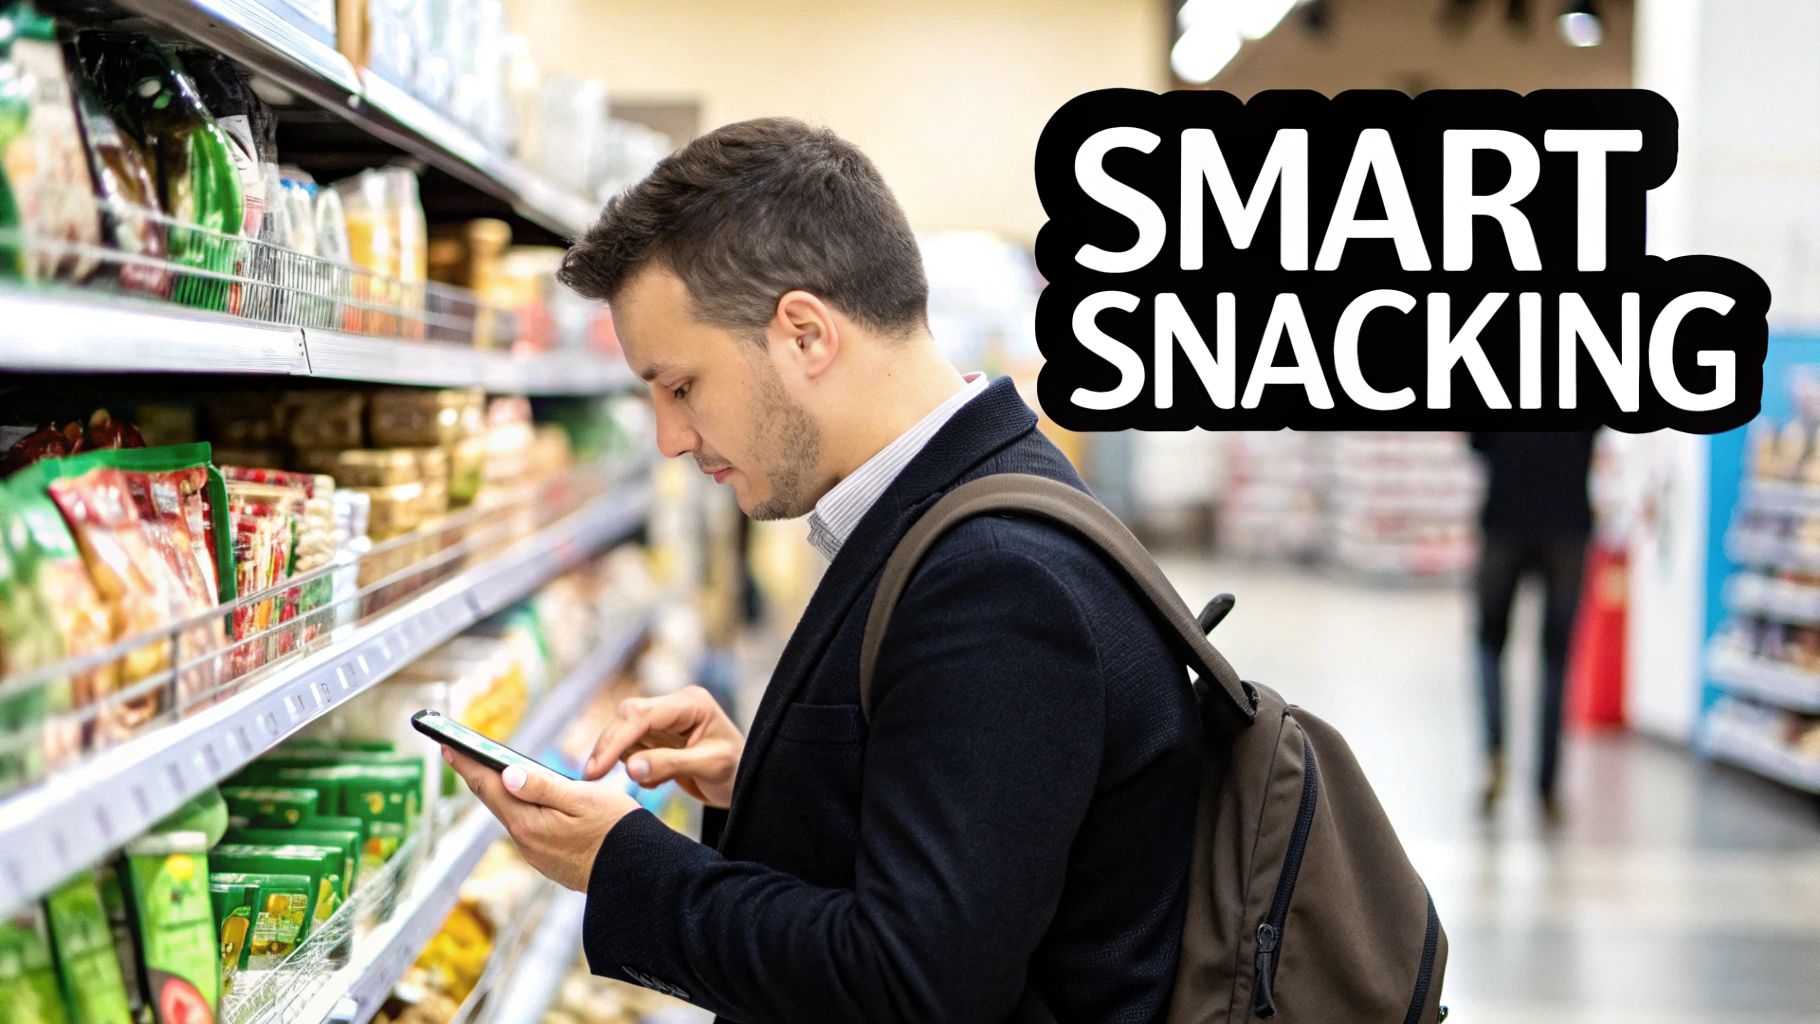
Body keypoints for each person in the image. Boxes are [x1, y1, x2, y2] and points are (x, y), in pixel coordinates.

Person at [440, 117, 1202, 1022]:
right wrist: (766, 783)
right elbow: (978, 859)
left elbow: (914, 986)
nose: (670, 438)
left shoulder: (998, 578)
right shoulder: (956, 506)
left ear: (805, 335)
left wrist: (622, 863)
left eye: (680, 386)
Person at [1468, 430, 1597, 820]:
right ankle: (1548, 785)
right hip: (1568, 525)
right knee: (1556, 660)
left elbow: (1477, 442)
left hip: (1505, 519)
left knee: (1489, 645)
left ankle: (1494, 757)